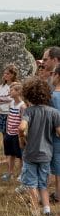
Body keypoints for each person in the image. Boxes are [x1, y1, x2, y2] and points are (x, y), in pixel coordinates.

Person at [18, 77, 60, 216]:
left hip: (30, 153)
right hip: (46, 154)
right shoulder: (54, 112)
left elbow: (22, 127)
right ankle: (47, 211)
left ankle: (35, 212)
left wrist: (22, 138)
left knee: (31, 184)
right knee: (43, 183)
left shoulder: (29, 111)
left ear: (29, 94)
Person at [1, 82, 26, 181]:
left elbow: (23, 120)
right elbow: (9, 117)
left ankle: (21, 174)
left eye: (12, 90)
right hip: (9, 133)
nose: (9, 92)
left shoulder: (22, 106)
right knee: (10, 154)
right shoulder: (11, 103)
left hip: (17, 135)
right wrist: (7, 129)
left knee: (20, 156)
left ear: (18, 92)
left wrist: (21, 135)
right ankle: (10, 173)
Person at [0, 64, 18, 163]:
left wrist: (3, 99)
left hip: (10, 113)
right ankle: (7, 156)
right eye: (4, 73)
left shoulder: (15, 85)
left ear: (13, 75)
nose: (5, 75)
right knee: (4, 136)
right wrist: (4, 99)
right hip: (1, 112)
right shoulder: (2, 86)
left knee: (10, 136)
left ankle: (11, 156)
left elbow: (11, 98)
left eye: (8, 73)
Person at [50, 64, 60, 203]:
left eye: (53, 74)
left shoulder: (52, 97)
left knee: (57, 168)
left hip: (56, 137)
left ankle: (58, 194)